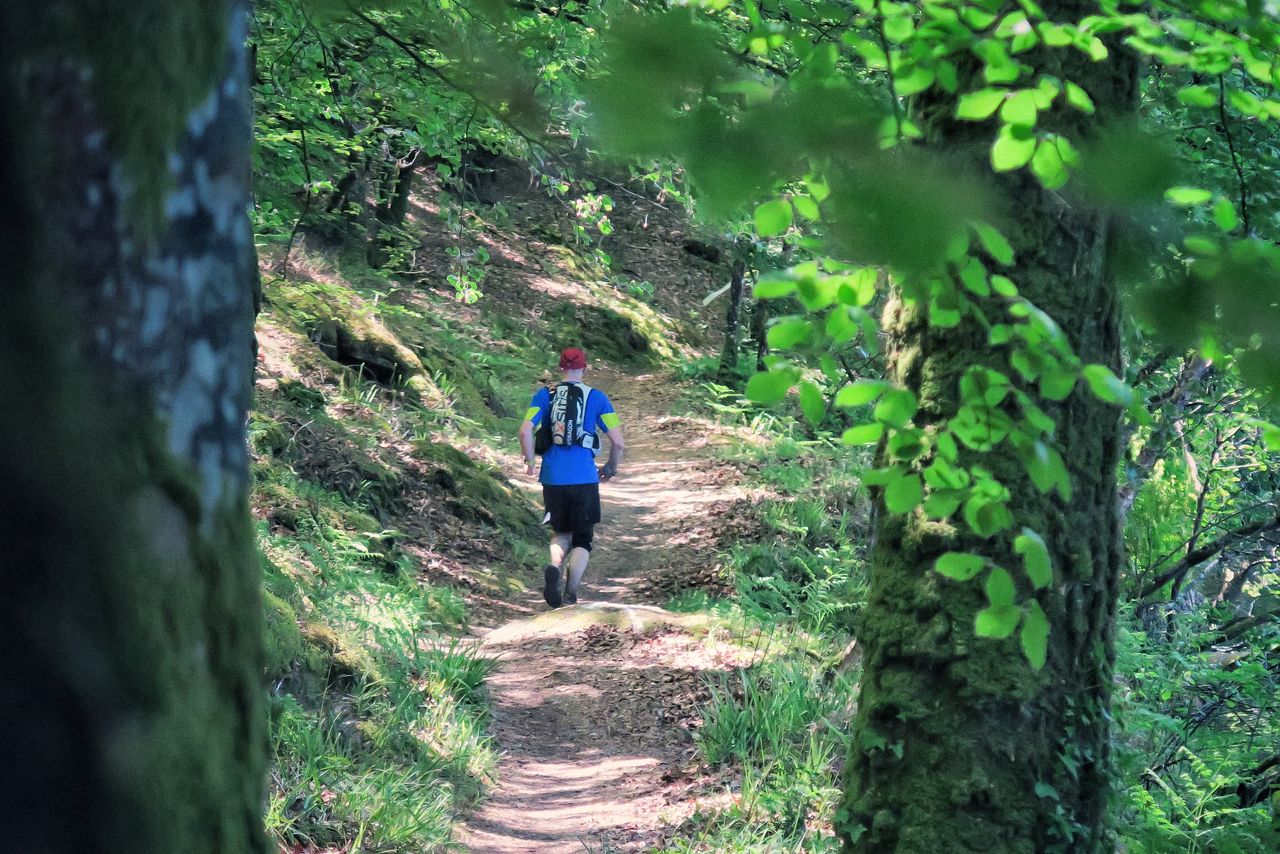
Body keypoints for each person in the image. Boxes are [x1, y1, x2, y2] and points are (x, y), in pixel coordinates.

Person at [518, 347, 624, 607]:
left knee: (560, 531)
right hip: (584, 477)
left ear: (560, 368)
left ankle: (554, 565)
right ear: (584, 368)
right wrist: (610, 467)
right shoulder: (597, 398)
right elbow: (618, 442)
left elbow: (524, 431)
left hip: (553, 477)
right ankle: (570, 593)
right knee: (583, 538)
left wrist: (531, 461)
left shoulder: (544, 395)